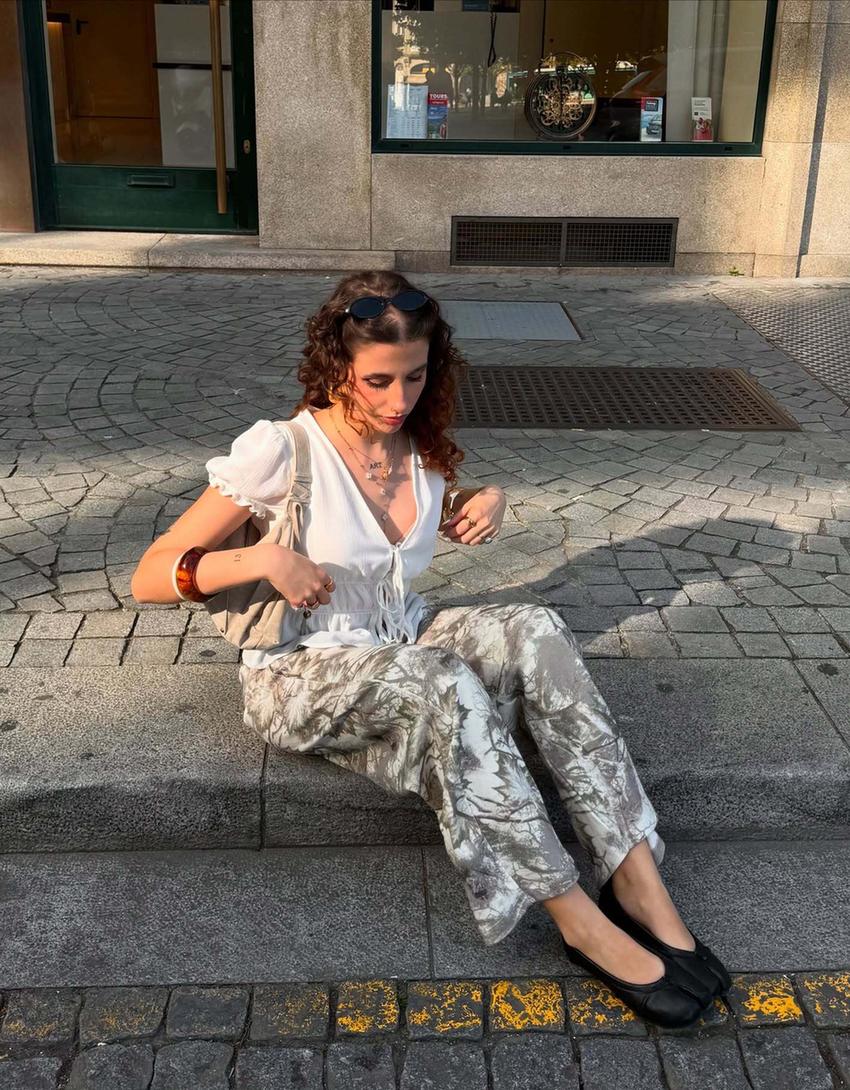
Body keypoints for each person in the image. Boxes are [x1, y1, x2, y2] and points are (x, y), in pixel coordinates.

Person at [131, 270, 730, 1028]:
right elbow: (150, 574)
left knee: (535, 627)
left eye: (414, 376)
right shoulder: (282, 450)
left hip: (402, 638)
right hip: (297, 672)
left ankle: (636, 879)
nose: (398, 399)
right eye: (377, 380)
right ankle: (579, 921)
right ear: (336, 368)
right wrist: (261, 558)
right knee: (442, 682)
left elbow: (412, 521)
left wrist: (485, 499)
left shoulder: (418, 445)